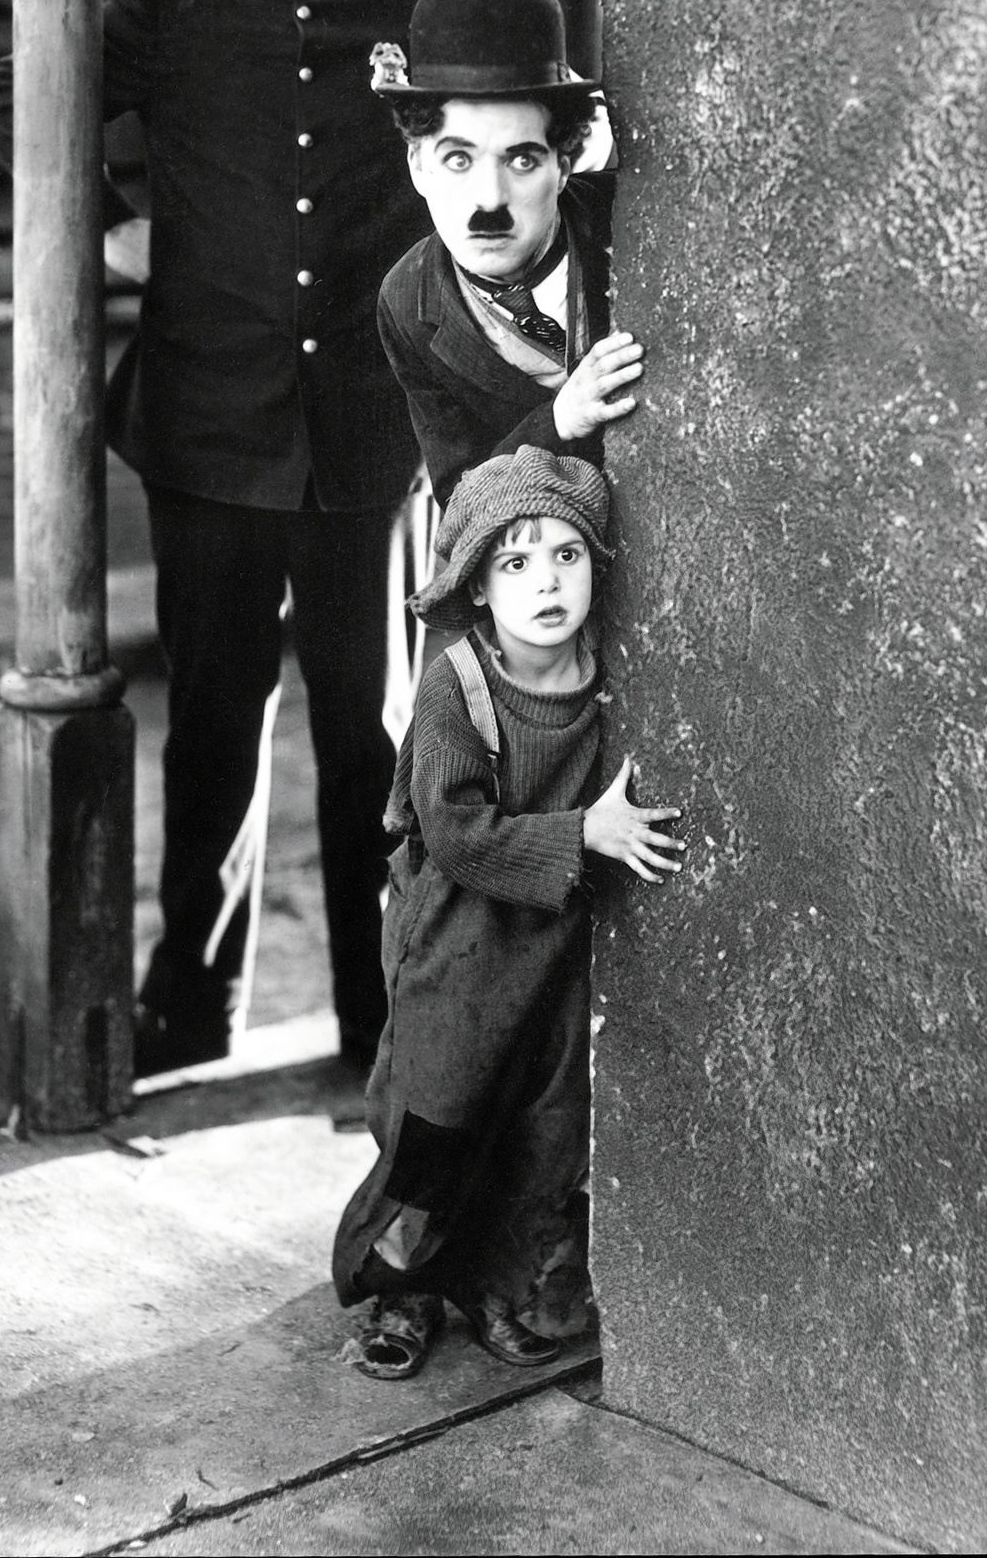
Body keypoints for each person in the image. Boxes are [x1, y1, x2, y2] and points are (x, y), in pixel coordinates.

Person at [0, 0, 454, 1077]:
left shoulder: (423, 1)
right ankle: (194, 1006)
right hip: (211, 431)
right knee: (211, 728)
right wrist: (109, 231)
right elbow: (21, 92)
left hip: (365, 441)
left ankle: (379, 1014)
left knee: (373, 738)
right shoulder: (174, 1)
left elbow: (540, 124)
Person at [331, 445, 684, 1377]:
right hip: (456, 943)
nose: (544, 582)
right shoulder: (460, 684)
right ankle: (400, 1291)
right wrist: (585, 837)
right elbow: (451, 829)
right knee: (435, 1121)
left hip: (551, 944)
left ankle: (499, 1286)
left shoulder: (605, 671)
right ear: (478, 588)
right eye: (514, 562)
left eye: (566, 556)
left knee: (543, 1128)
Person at [372, 0, 646, 508]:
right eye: (459, 160)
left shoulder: (631, 223)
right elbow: (461, 493)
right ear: (418, 167)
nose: (489, 200)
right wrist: (560, 420)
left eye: (522, 160)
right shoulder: (407, 301)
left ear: (564, 165)